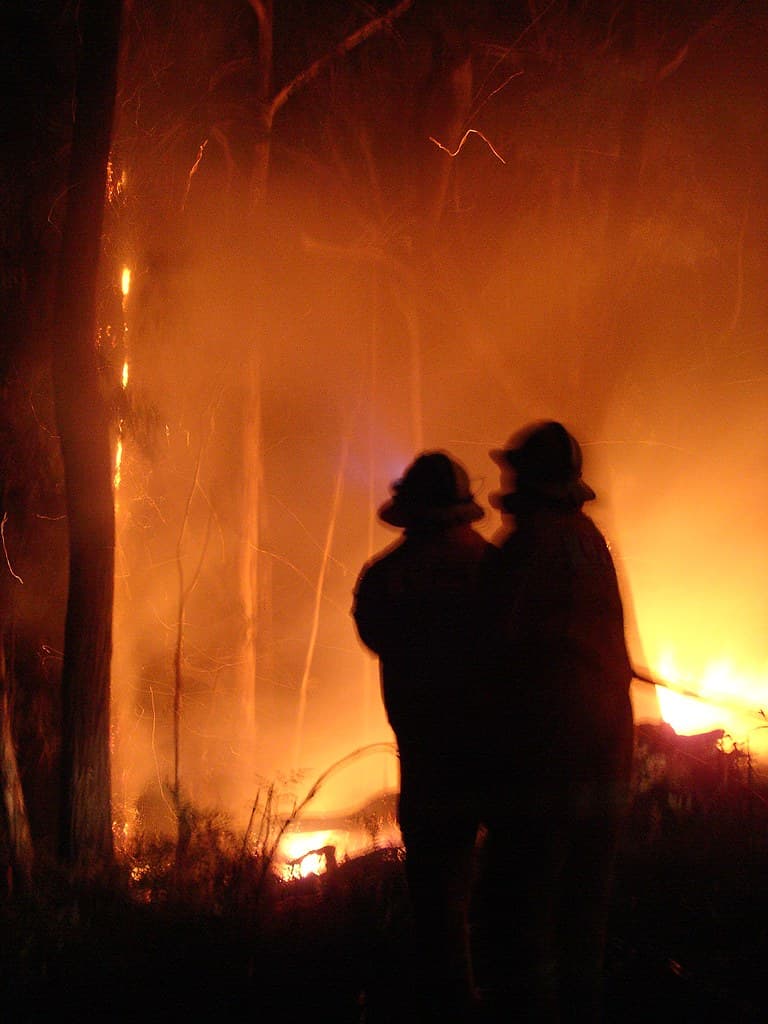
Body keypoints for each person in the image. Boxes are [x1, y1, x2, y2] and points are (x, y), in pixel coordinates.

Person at [478, 420, 635, 1023]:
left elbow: (492, 649)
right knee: (584, 914)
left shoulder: (526, 551)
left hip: (545, 766)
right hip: (607, 756)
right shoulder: (590, 540)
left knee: (524, 915)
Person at [352, 450, 497, 1023]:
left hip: (428, 754)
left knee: (439, 893)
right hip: (501, 750)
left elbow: (375, 635)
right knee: (515, 884)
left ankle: (452, 1000)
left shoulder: (386, 577)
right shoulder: (496, 568)